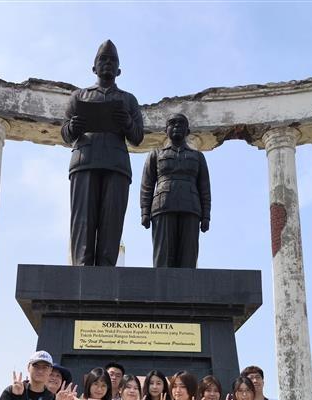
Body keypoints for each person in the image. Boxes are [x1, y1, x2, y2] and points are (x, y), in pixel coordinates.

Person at [61, 40, 144, 266]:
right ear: (94, 67)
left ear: (119, 70)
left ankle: (107, 273)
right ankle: (81, 270)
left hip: (116, 166)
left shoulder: (129, 100)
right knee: (83, 223)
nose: (108, 63)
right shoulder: (79, 97)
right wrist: (73, 127)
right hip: (84, 163)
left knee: (112, 225)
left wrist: (127, 123)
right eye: (103, 59)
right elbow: (65, 133)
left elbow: (138, 137)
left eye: (112, 60)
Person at [139, 113, 211, 268]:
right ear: (166, 130)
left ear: (188, 131)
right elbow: (147, 184)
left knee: (188, 258)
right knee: (163, 257)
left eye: (181, 123)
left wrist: (206, 216)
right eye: (172, 123)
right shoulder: (155, 154)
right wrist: (145, 212)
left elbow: (204, 188)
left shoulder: (198, 157)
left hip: (191, 208)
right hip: (163, 208)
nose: (177, 126)